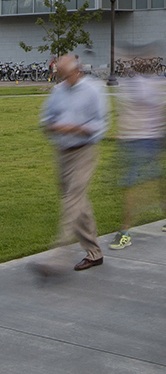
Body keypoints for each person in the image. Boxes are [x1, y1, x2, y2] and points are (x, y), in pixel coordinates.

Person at [33, 54, 109, 275]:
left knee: (72, 201)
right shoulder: (58, 92)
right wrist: (56, 127)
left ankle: (56, 257)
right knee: (78, 202)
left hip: (84, 151)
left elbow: (101, 125)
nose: (63, 79)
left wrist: (76, 128)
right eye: (60, 75)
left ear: (77, 71)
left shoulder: (93, 90)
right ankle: (95, 253)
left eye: (66, 74)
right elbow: (46, 120)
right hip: (62, 153)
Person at [108, 75, 166, 250]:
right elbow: (125, 112)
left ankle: (124, 232)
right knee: (156, 181)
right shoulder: (127, 83)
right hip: (133, 141)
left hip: (150, 140)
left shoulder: (155, 83)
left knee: (133, 185)